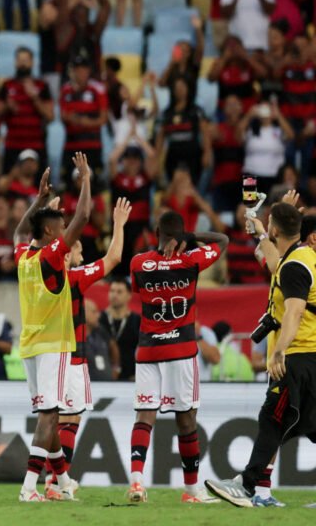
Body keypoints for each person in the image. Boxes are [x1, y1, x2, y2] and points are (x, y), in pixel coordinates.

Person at [206, 202, 316, 508]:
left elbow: (294, 312)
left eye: (271, 227)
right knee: (302, 424)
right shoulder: (301, 258)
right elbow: (273, 262)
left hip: (297, 354)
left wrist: (279, 351)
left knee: (272, 419)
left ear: (277, 229)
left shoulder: (295, 265)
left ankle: (248, 485)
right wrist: (260, 231)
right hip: (311, 354)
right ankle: (258, 491)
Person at [126, 210, 229, 504]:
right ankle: (192, 491)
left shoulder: (138, 263)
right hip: (181, 350)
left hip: (147, 350)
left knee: (144, 416)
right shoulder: (191, 259)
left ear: (157, 230)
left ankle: (136, 483)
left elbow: (139, 288)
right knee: (186, 420)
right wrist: (191, 239)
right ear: (182, 234)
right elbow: (223, 239)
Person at [10, 155, 91, 502]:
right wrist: (86, 179)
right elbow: (84, 217)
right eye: (59, 225)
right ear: (49, 232)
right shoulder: (51, 256)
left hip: (29, 344)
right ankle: (29, 487)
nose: (65, 231)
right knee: (50, 414)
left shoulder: (24, 257)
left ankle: (63, 479)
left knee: (49, 409)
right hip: (54, 344)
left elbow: (18, 232)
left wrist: (40, 201)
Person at [50, 198, 132, 494]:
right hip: (73, 357)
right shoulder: (73, 278)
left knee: (56, 419)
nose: (83, 256)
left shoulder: (42, 275)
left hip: (51, 356)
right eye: (80, 250)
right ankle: (54, 482)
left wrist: (51, 212)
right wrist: (119, 225)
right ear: (68, 252)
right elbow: (113, 259)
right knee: (69, 420)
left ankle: (55, 481)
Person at [100, 278, 141, 381]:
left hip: (131, 376)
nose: (114, 295)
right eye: (112, 291)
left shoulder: (137, 320)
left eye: (119, 292)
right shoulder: (99, 319)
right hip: (103, 377)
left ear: (129, 295)